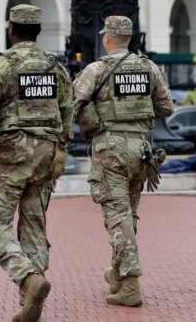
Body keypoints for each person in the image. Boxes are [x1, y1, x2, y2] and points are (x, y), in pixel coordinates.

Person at [0, 5, 73, 322]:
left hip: (9, 157)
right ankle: (31, 307)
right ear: (38, 31)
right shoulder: (56, 68)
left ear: (11, 30)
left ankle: (28, 279)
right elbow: (68, 114)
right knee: (34, 229)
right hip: (46, 156)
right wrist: (57, 147)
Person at [73, 16, 174, 307]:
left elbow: (74, 104)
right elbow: (166, 107)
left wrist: (92, 119)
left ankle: (130, 284)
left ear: (107, 38)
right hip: (141, 150)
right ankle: (118, 273)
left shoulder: (97, 69)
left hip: (110, 149)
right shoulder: (149, 67)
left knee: (118, 217)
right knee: (127, 215)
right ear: (130, 37)